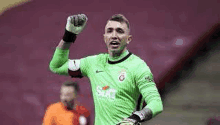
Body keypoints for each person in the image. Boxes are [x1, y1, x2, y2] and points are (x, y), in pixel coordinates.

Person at [49, 13, 163, 125]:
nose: (114, 35)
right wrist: (69, 35)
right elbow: (57, 66)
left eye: (120, 31)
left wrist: (135, 118)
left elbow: (156, 103)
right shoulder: (94, 63)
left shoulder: (138, 67)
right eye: (110, 31)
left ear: (128, 39)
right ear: (105, 38)